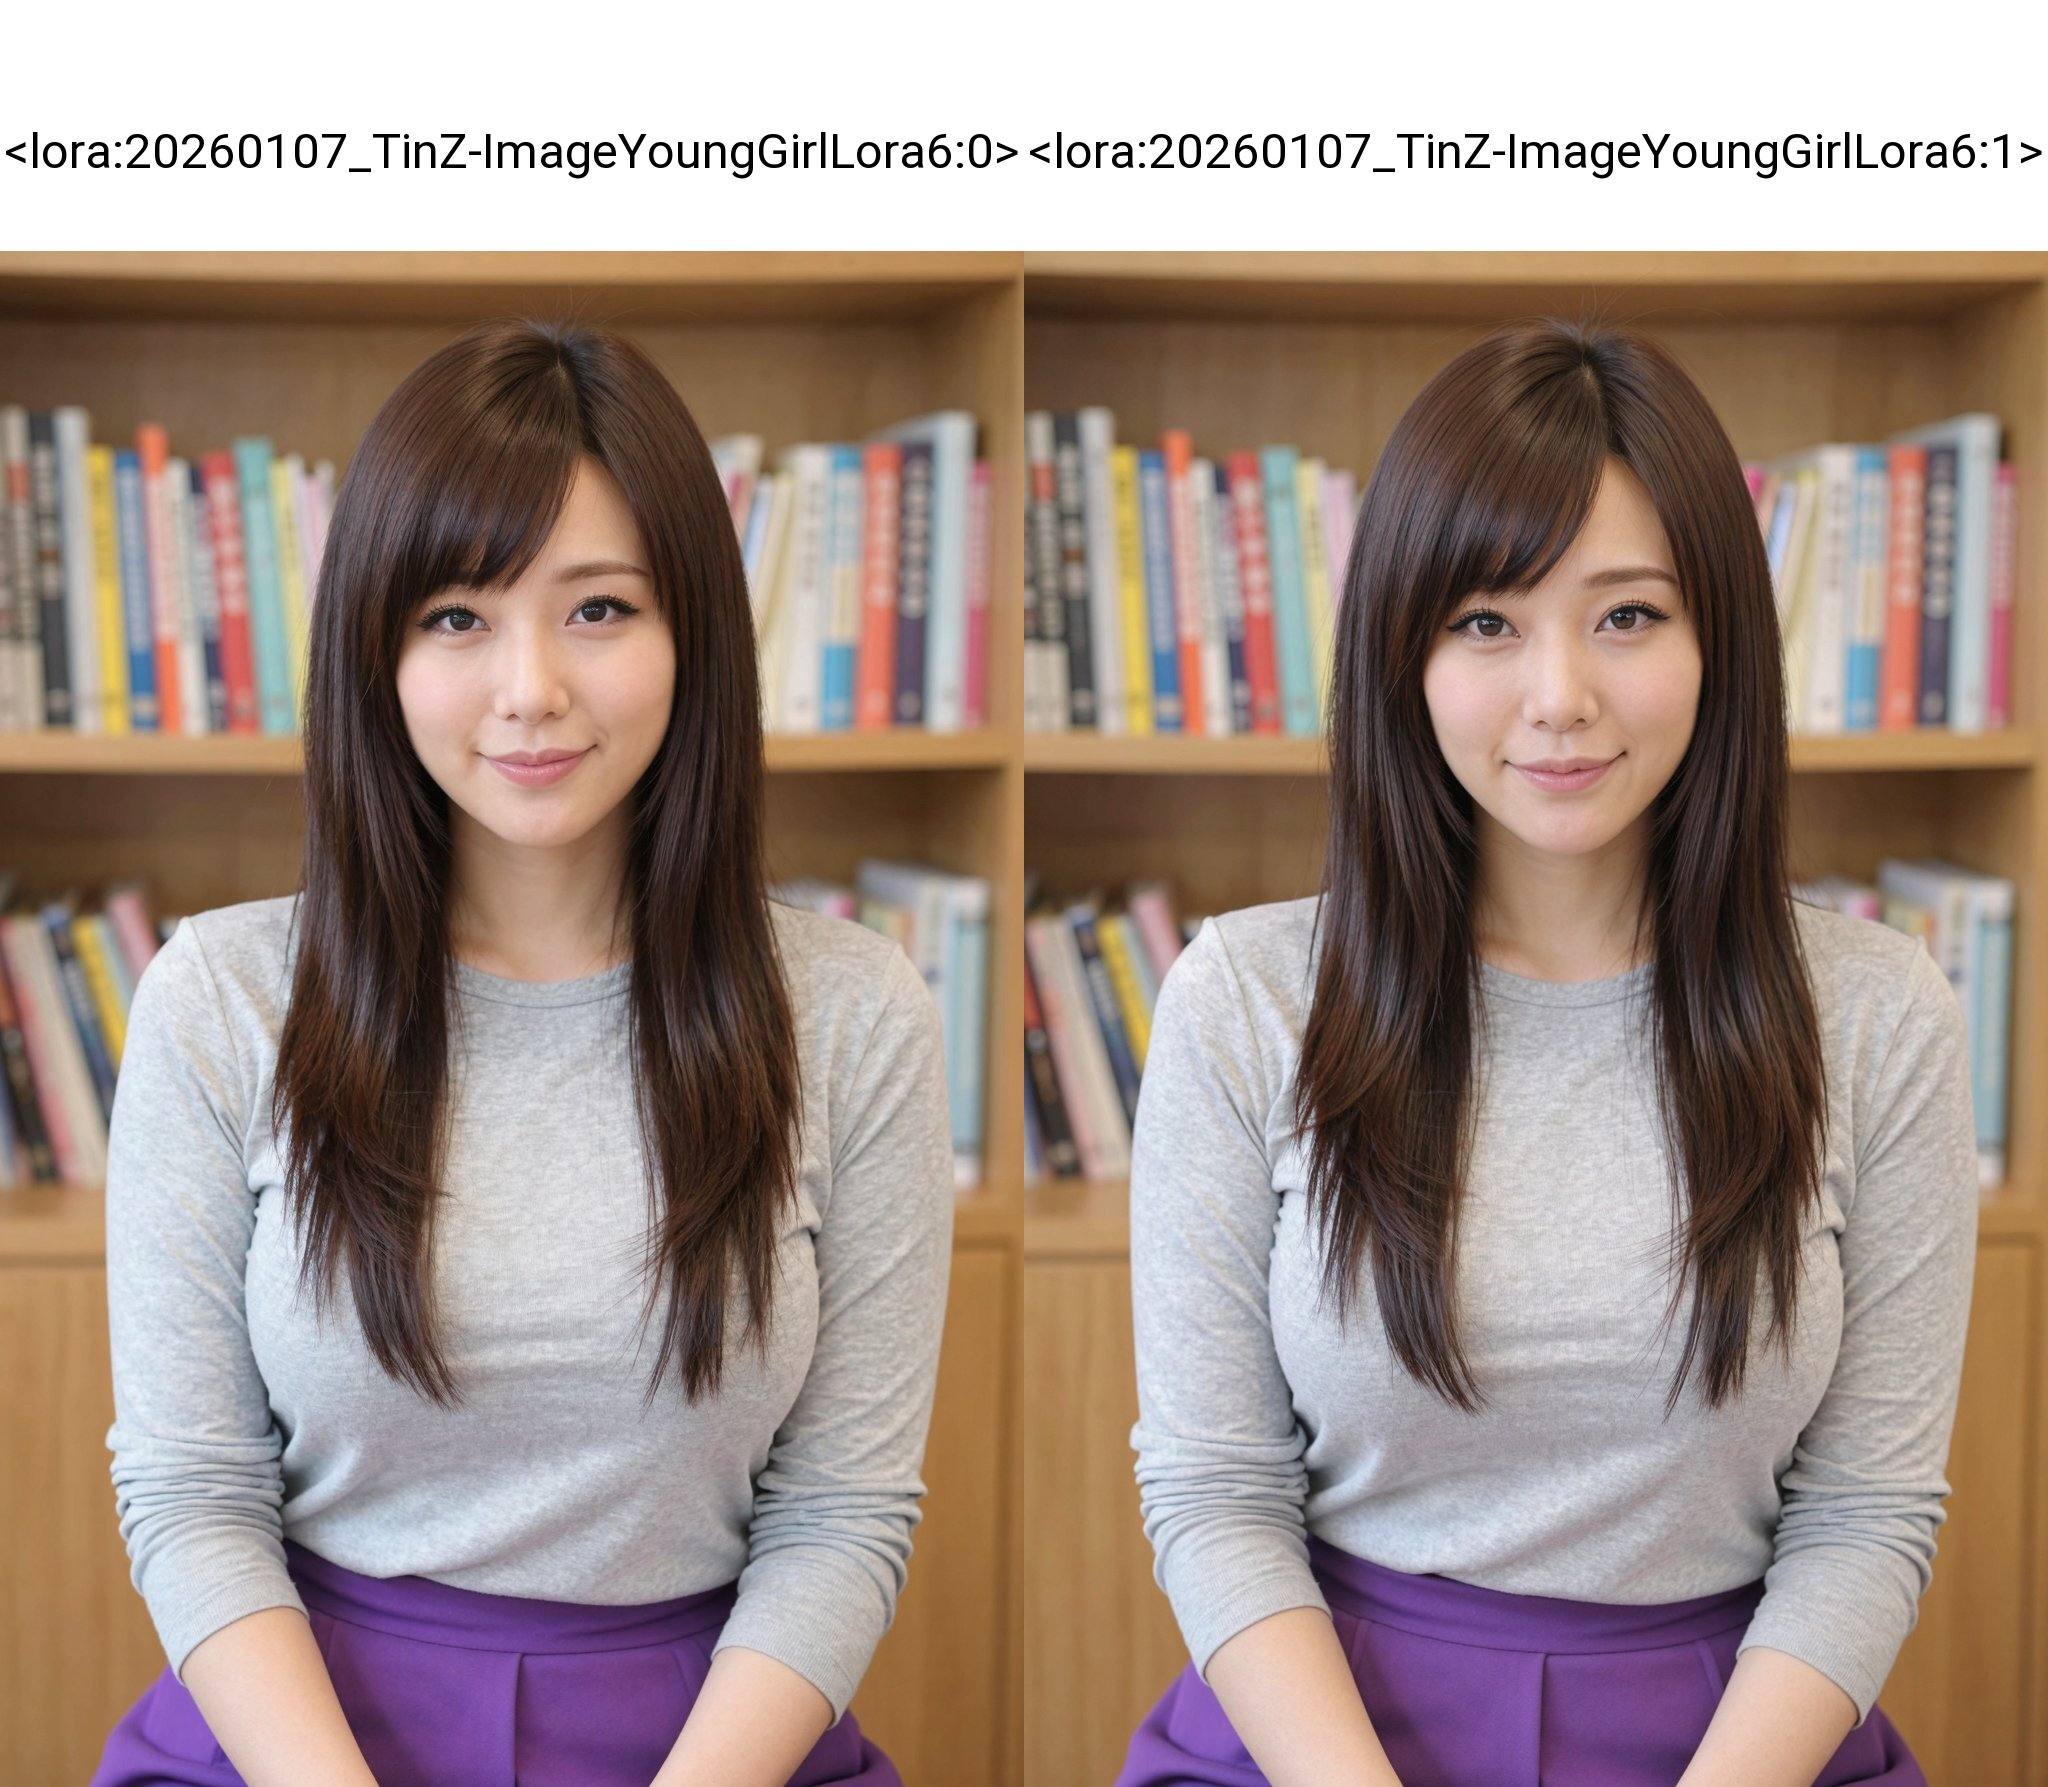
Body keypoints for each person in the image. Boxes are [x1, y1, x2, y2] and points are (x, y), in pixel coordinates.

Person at [92, 319, 956, 1787]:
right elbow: (192, 1492)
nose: (531, 688)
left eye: (599, 610)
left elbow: (840, 1511)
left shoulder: (859, 1011)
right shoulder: (220, 996)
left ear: (693, 630)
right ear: (379, 649)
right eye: (457, 618)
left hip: (712, 1741)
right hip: (297, 1734)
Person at [1117, 319, 1976, 1786]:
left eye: (1627, 616)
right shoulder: (1243, 995)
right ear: (1406, 652)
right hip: (1322, 1731)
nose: (1559, 696)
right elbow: (1216, 1491)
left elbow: (1865, 1512)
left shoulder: (1884, 1013)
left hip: (1739, 1738)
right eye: (1486, 623)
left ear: (1719, 638)